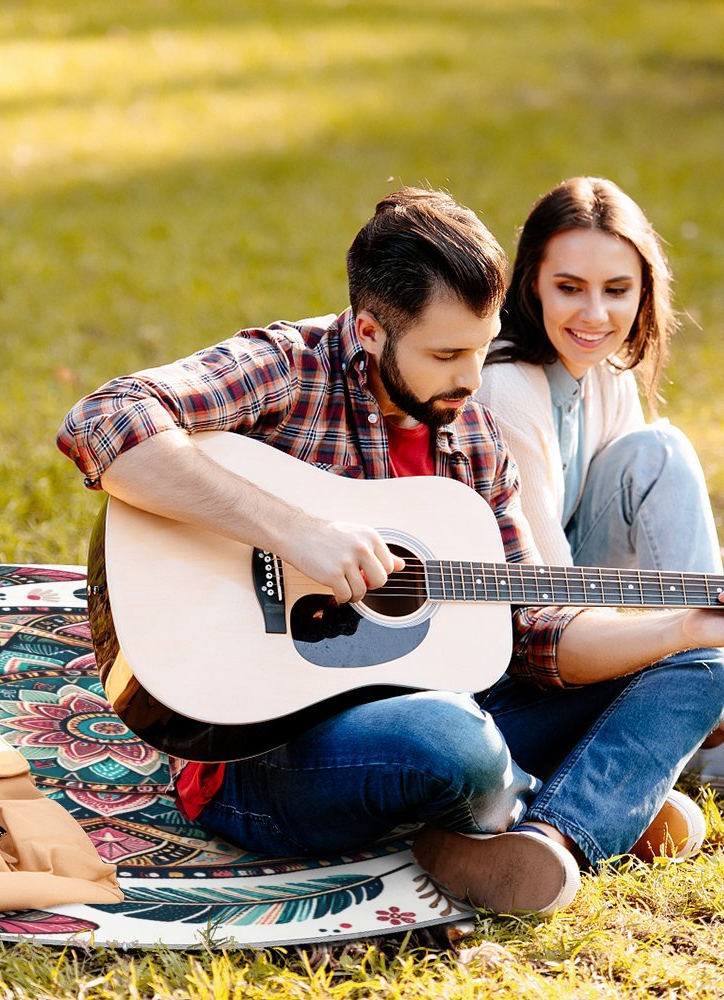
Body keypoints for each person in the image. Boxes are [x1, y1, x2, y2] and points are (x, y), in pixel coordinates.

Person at [57, 187, 724, 916]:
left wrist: (681, 628)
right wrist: (293, 530)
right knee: (453, 742)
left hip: (451, 708)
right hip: (262, 752)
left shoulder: (472, 435)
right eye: (446, 354)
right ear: (370, 330)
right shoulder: (288, 367)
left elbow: (533, 629)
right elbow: (104, 419)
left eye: (481, 346)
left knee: (704, 665)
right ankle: (578, 796)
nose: (472, 380)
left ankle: (554, 837)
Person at [477, 176, 724, 787]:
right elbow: (547, 602)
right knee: (661, 450)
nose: (595, 315)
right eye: (569, 288)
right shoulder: (507, 386)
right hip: (517, 647)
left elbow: (644, 550)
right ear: (531, 281)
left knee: (655, 451)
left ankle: (703, 695)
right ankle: (702, 727)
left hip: (581, 613)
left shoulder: (605, 369)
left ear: (644, 291)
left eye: (617, 290)